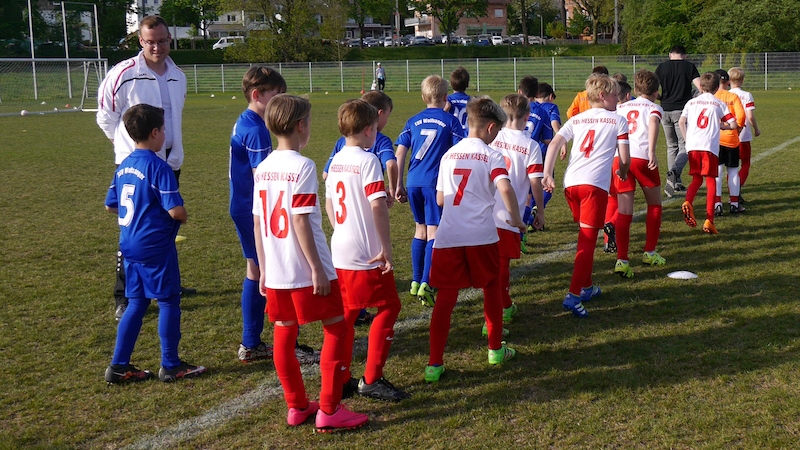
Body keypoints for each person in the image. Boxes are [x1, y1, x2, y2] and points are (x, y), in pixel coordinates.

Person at [253, 94, 368, 431]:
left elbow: (258, 222)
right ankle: (329, 410)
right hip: (305, 266)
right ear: (301, 125)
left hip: (276, 267)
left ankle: (297, 406)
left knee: (284, 332)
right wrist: (317, 268)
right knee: (336, 328)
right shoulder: (302, 166)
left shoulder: (263, 167)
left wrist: (263, 268)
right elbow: (300, 220)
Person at [97, 15, 193, 321]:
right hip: (137, 166)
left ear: (169, 39)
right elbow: (106, 116)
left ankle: (165, 283)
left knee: (164, 228)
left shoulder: (178, 75)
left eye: (162, 41)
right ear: (140, 41)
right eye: (150, 42)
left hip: (169, 163)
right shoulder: (123, 73)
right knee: (133, 230)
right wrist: (127, 151)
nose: (156, 47)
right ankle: (124, 295)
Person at [425, 97, 526, 383]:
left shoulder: (449, 155)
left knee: (445, 299)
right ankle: (495, 350)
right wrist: (516, 219)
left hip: (449, 235)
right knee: (491, 288)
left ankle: (434, 364)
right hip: (481, 235)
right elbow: (504, 187)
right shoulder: (492, 155)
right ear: (491, 127)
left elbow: (440, 199)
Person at [104, 104, 206, 384]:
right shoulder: (159, 167)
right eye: (163, 129)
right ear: (155, 133)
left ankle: (118, 365)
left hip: (129, 245)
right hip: (155, 247)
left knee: (137, 302)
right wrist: (182, 216)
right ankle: (171, 364)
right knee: (169, 300)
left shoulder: (125, 165)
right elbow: (175, 211)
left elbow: (111, 206)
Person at [228, 67, 320, 366]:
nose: (281, 101)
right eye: (276, 95)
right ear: (257, 95)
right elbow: (265, 177)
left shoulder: (246, 120)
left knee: (255, 269)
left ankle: (253, 341)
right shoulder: (256, 130)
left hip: (246, 205)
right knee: (274, 269)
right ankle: (269, 341)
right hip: (255, 207)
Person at [324, 99, 409, 401]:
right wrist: (385, 247)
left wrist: (342, 229)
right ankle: (372, 378)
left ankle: (341, 378)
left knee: (346, 314)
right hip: (365, 251)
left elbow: (330, 203)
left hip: (341, 247)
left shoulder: (336, 160)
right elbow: (377, 206)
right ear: (369, 129)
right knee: (389, 306)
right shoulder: (368, 159)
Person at [543, 74, 630, 318]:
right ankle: (573, 295)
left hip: (571, 184)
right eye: (614, 95)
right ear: (602, 95)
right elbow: (624, 158)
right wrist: (623, 172)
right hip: (594, 186)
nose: (617, 100)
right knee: (587, 242)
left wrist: (547, 173)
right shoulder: (618, 120)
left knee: (585, 234)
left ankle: (587, 287)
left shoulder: (577, 118)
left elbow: (554, 144)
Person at [394, 75, 465, 307]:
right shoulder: (451, 121)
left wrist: (398, 184)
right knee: (434, 232)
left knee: (420, 229)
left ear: (423, 97)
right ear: (446, 97)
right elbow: (459, 153)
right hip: (435, 183)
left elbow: (400, 153)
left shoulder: (412, 120)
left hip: (413, 181)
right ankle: (427, 282)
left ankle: (415, 281)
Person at [487, 93, 545, 332]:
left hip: (485, 212)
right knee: (501, 268)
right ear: (528, 116)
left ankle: (501, 307)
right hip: (509, 215)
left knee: (489, 267)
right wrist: (540, 210)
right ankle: (498, 312)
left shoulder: (492, 136)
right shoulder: (531, 145)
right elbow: (535, 182)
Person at [610, 69, 667, 279]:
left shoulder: (621, 106)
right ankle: (649, 252)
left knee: (624, 211)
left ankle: (622, 260)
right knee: (655, 205)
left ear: (635, 89)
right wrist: (651, 151)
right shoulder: (654, 107)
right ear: (656, 91)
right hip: (642, 157)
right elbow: (653, 122)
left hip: (620, 158)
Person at [678, 72, 737, 235]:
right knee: (711, 181)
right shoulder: (718, 103)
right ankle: (709, 220)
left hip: (693, 146)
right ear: (717, 88)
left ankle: (688, 201)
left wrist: (687, 140)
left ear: (701, 86)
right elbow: (733, 124)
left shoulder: (691, 102)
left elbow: (682, 122)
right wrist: (720, 126)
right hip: (709, 147)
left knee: (696, 179)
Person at [655, 45, 702, 197]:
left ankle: (675, 182)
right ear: (685, 55)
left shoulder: (662, 67)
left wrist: (662, 97)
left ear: (670, 55)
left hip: (665, 109)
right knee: (685, 145)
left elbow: (653, 89)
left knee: (671, 146)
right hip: (682, 110)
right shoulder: (689, 66)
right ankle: (675, 173)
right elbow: (700, 86)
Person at [711, 69, 746, 216]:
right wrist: (737, 128)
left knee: (717, 172)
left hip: (715, 139)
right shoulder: (733, 96)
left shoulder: (712, 97)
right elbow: (741, 116)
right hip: (731, 138)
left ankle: (717, 204)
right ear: (728, 82)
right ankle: (734, 204)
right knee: (733, 172)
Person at [728, 66, 761, 203]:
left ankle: (732, 191)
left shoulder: (725, 95)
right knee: (745, 163)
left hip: (728, 134)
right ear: (742, 80)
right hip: (743, 134)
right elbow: (750, 115)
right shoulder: (746, 95)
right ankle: (737, 189)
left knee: (731, 166)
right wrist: (756, 128)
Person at [444, 66, 472, 135]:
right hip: (467, 135)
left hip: (453, 135)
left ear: (451, 84)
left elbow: (441, 117)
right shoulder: (473, 101)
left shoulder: (447, 99)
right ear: (467, 84)